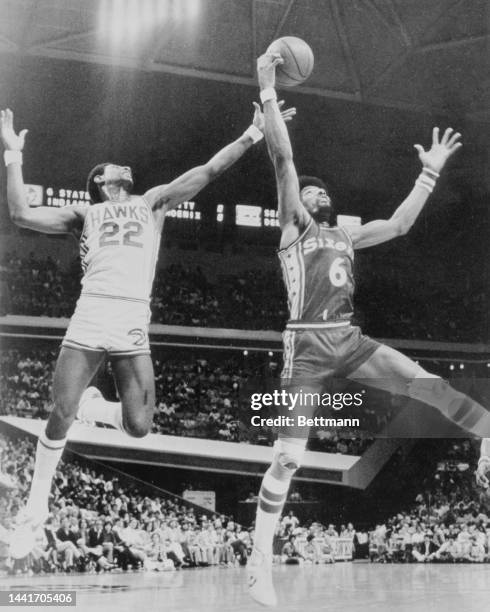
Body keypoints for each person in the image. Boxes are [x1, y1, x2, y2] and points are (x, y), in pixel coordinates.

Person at [0, 102, 295, 559]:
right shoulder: (83, 215)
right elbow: (20, 214)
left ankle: (95, 409)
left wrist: (253, 133)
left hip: (133, 318)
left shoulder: (152, 200)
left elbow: (209, 169)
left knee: (140, 426)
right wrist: (12, 154)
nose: (128, 166)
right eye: (116, 166)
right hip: (93, 311)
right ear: (100, 181)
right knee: (60, 409)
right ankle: (33, 512)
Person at [248, 51, 487, 606]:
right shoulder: (294, 229)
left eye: (321, 191)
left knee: (423, 380)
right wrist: (265, 87)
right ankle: (260, 560)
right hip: (305, 344)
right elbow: (284, 163)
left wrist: (430, 170)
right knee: (288, 456)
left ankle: (486, 435)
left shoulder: (348, 236)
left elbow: (401, 224)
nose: (317, 192)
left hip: (349, 340)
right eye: (311, 192)